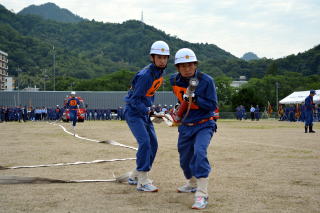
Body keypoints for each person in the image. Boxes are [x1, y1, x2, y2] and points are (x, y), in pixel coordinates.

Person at [170, 48, 218, 209]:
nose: (186, 68)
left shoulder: (206, 81)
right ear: (177, 67)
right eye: (182, 65)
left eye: (190, 65)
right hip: (186, 125)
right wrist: (177, 110)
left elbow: (212, 105)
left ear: (195, 64)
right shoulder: (174, 80)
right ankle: (191, 183)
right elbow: (179, 100)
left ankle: (202, 194)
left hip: (204, 123)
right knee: (184, 159)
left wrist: (196, 98)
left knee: (199, 152)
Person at [123, 40, 170, 192]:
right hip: (134, 112)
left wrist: (152, 111)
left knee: (154, 144)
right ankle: (142, 181)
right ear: (152, 58)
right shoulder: (146, 75)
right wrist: (148, 112)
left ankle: (135, 175)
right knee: (144, 143)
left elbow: (148, 95)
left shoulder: (159, 73)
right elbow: (134, 100)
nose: (162, 60)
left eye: (165, 57)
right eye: (159, 57)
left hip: (144, 112)